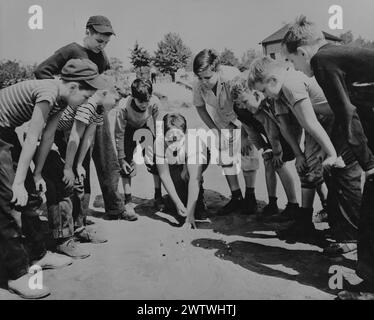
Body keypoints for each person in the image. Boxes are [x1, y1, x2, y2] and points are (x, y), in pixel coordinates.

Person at [281, 15, 374, 297]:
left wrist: (369, 165)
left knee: (370, 208)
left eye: (293, 62)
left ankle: (368, 289)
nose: (295, 68)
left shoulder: (322, 61)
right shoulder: (342, 54)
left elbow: (348, 113)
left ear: (303, 52)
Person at [0, 58, 107, 299]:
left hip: (6, 132)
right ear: (73, 87)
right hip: (1, 133)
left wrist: (36, 173)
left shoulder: (61, 100)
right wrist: (17, 182)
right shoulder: (48, 91)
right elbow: (32, 136)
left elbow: (47, 138)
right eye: (85, 96)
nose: (87, 102)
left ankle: (38, 254)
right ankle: (17, 273)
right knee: (7, 198)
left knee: (30, 192)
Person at [247, 57, 360, 247]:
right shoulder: (279, 92)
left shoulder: (291, 83)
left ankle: (338, 229)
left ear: (272, 80)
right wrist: (298, 154)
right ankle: (306, 222)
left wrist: (329, 152)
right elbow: (285, 127)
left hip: (333, 121)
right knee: (308, 169)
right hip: (318, 124)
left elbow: (311, 122)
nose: (264, 95)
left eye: (264, 90)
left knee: (329, 173)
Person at [34, 15, 134, 221]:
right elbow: (41, 71)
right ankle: (80, 215)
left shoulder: (102, 56)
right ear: (87, 32)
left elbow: (102, 82)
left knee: (107, 158)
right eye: (99, 41)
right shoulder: (70, 50)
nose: (102, 46)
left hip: (96, 110)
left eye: (106, 43)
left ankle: (115, 207)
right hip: (75, 112)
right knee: (81, 162)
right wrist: (60, 98)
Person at [33, 79, 119, 259]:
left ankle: (78, 228)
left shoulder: (98, 109)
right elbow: (74, 136)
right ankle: (61, 239)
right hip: (42, 136)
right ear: (103, 93)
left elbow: (88, 137)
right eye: (116, 99)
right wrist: (68, 168)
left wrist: (78, 165)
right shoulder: (88, 104)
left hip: (56, 135)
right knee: (62, 183)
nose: (117, 104)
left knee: (78, 181)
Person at [193, 49, 259, 216]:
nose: (203, 81)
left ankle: (250, 197)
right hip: (221, 119)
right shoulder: (198, 84)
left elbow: (245, 108)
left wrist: (244, 135)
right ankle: (236, 197)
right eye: (200, 77)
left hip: (242, 116)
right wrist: (216, 131)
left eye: (207, 77)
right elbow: (200, 108)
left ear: (218, 69)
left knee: (247, 154)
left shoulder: (232, 77)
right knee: (225, 156)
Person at [232, 84, 299, 219]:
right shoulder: (242, 108)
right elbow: (250, 129)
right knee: (268, 162)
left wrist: (277, 152)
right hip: (270, 136)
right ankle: (272, 203)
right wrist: (263, 148)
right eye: (239, 103)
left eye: (244, 102)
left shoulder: (263, 104)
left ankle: (293, 204)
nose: (243, 106)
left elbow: (272, 131)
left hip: (285, 133)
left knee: (279, 164)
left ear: (255, 94)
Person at [114, 79, 164, 217]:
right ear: (132, 97)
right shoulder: (123, 106)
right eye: (140, 101)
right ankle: (128, 200)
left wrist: (158, 146)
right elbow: (119, 132)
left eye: (146, 101)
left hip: (144, 127)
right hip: (127, 130)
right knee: (126, 164)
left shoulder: (154, 102)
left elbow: (159, 127)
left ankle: (158, 195)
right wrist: (121, 156)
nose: (144, 105)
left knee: (154, 160)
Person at [155, 113, 210, 228]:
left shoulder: (193, 142)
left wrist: (190, 216)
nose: (174, 144)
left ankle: (199, 198)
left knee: (191, 177)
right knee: (177, 201)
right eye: (170, 141)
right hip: (176, 160)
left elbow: (195, 179)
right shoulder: (159, 142)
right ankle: (179, 197)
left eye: (178, 140)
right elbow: (164, 175)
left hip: (199, 157)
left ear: (184, 135)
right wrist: (178, 203)